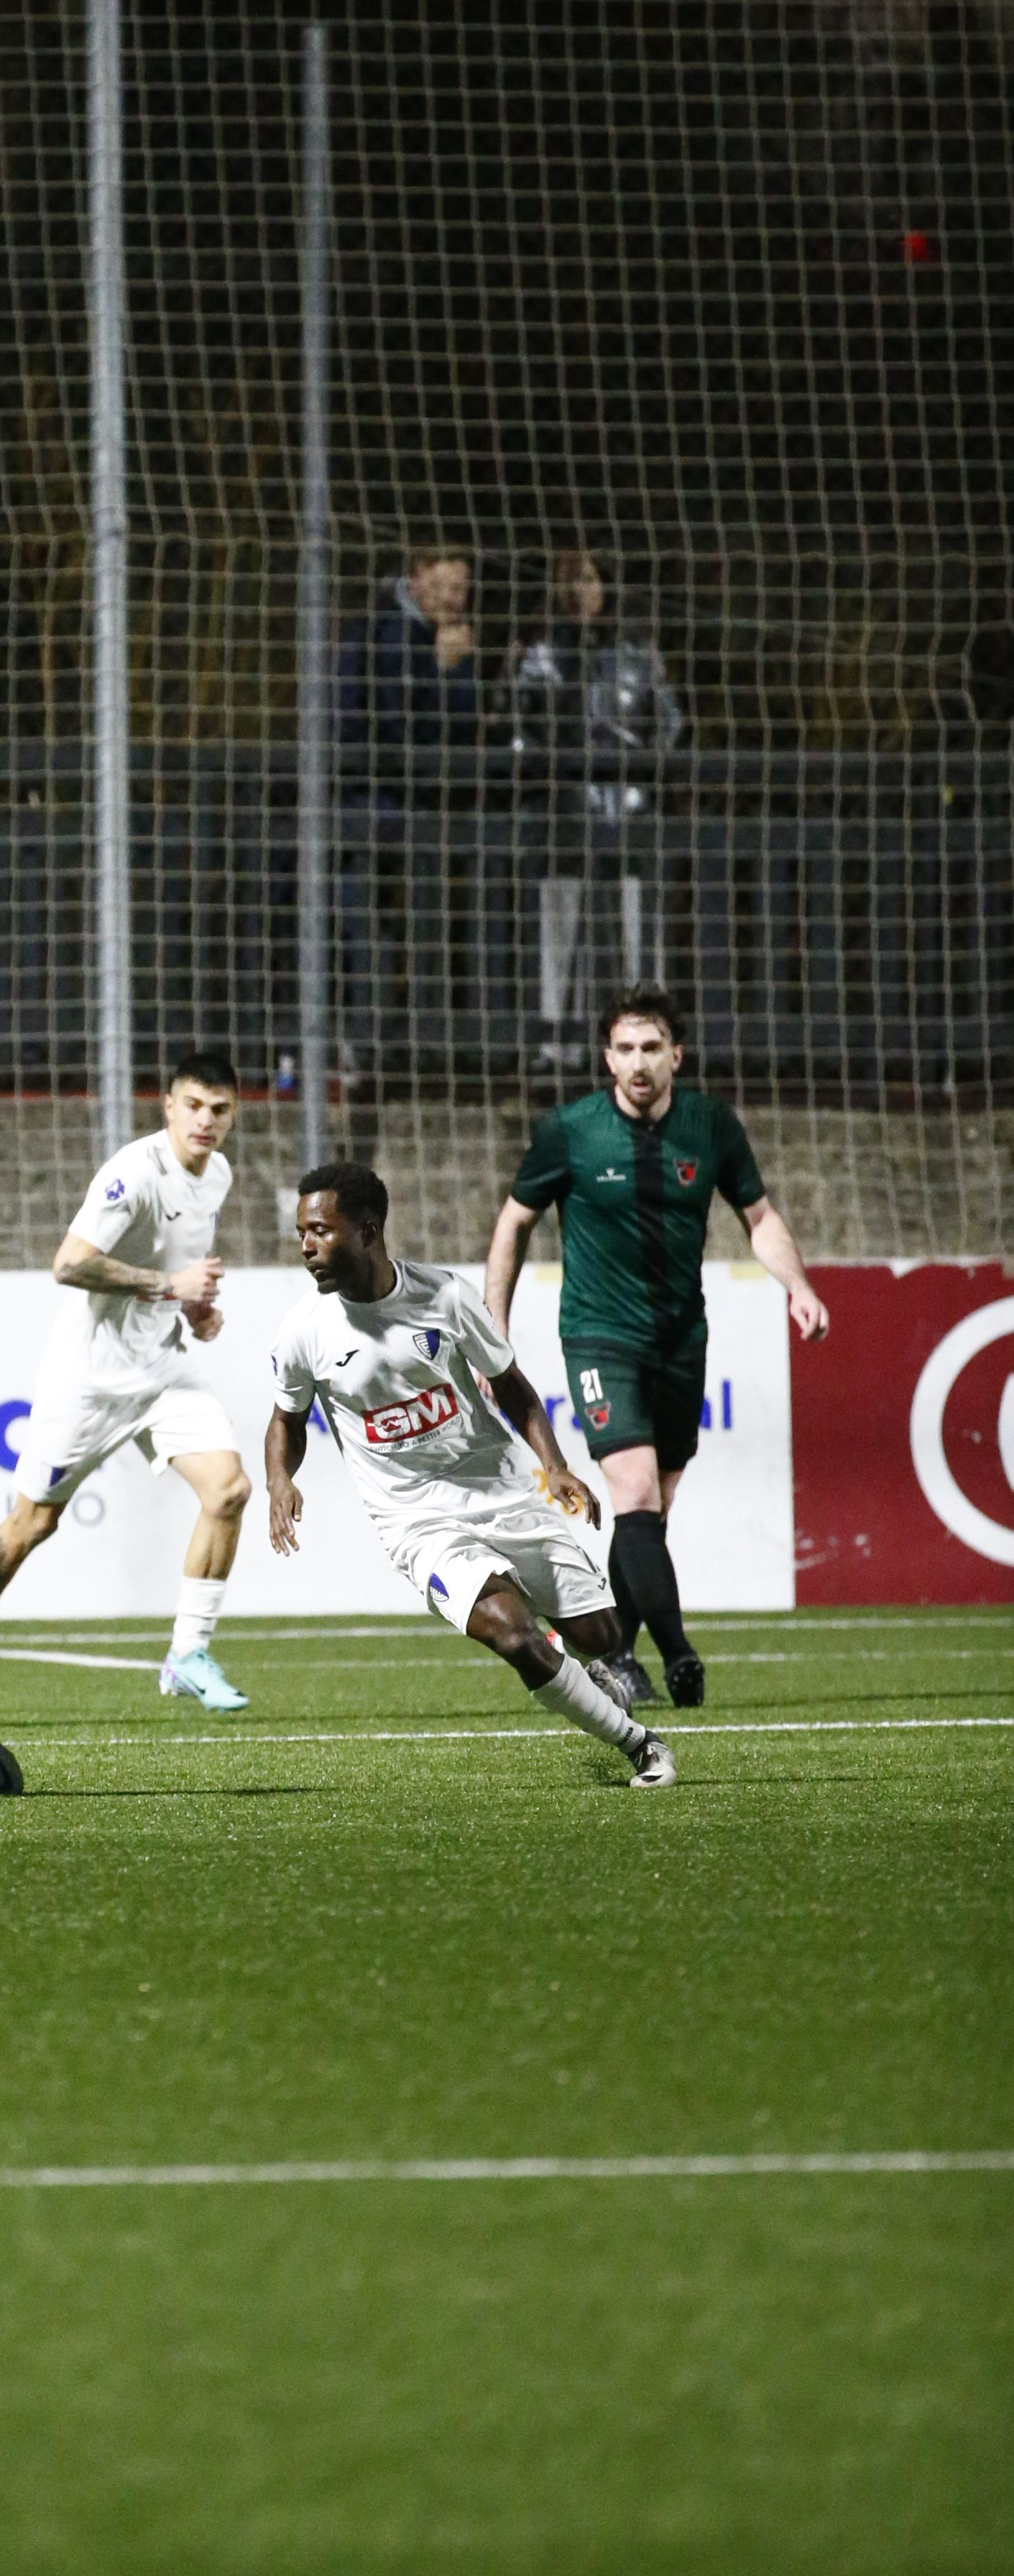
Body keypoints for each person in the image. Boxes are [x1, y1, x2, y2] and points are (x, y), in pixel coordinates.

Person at [267, 1162, 673, 1792]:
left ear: (368, 1231)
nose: (305, 1247)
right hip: (415, 1519)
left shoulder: (446, 1297)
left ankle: (588, 1680)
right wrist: (280, 1483)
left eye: (320, 1231)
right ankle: (641, 1746)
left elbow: (513, 1388)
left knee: (599, 1635)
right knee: (513, 1636)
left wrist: (556, 1467)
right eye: (300, 1234)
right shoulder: (304, 1330)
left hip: (502, 1489)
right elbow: (286, 1421)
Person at [482, 986, 828, 1713]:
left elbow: (760, 1218)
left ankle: (614, 1655)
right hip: (599, 1335)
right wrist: (495, 1327)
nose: (638, 1063)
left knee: (652, 1512)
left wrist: (795, 1284)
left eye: (651, 1048)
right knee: (634, 1492)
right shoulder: (570, 1131)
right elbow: (514, 1223)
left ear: (676, 1054)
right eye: (625, 1049)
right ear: (607, 1058)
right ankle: (673, 1655)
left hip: (681, 1339)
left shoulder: (710, 1125)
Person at [0, 1049, 254, 1725]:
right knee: (32, 1523)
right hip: (90, 1381)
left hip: (164, 1370)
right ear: (168, 1107)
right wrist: (169, 1287)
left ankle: (188, 1655)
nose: (206, 1121)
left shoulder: (217, 1174)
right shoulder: (133, 1174)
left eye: (219, 1110)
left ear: (232, 1116)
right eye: (193, 1106)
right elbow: (69, 1264)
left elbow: (178, 1265)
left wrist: (194, 1308)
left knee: (228, 1490)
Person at [511, 550, 681, 1061]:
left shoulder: (637, 654)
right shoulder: (541, 655)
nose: (580, 592)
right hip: (563, 810)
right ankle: (555, 1044)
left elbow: (668, 722)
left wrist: (643, 772)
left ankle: (642, 1041)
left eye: (589, 580)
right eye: (570, 581)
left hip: (627, 807)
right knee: (560, 927)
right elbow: (521, 729)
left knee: (635, 929)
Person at [335, 544, 483, 1083]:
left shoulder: (446, 640)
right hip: (374, 805)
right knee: (370, 933)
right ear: (418, 579)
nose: (454, 599)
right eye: (445, 587)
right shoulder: (381, 633)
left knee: (420, 932)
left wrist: (457, 674)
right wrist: (443, 674)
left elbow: (463, 732)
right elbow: (396, 725)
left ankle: (404, 1050)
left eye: (462, 589)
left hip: (426, 812)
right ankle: (365, 1050)